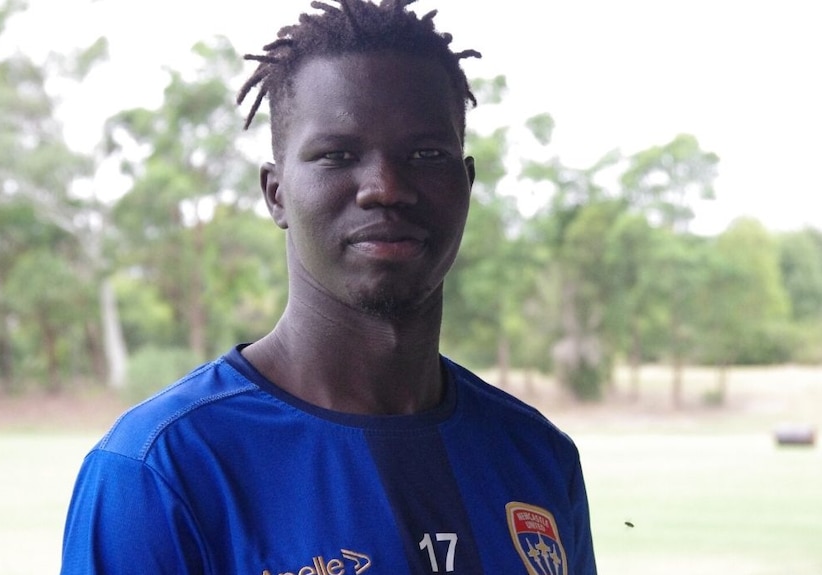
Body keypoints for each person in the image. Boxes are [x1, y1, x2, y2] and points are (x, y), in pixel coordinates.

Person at [60, 1, 597, 573]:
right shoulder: (162, 469)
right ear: (276, 193)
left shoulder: (537, 455)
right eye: (337, 155)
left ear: (465, 184)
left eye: (424, 155)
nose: (386, 188)